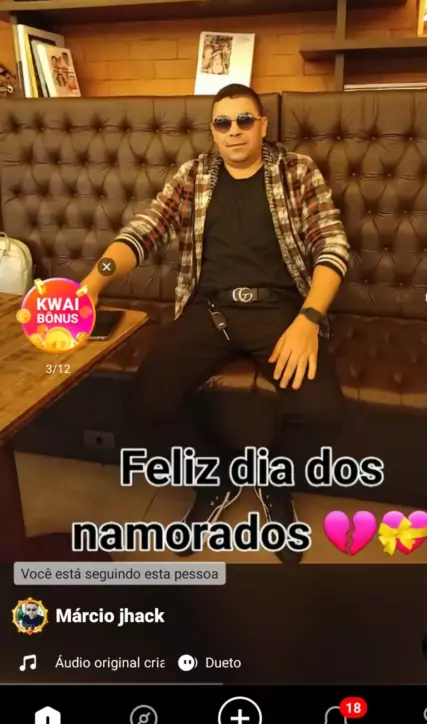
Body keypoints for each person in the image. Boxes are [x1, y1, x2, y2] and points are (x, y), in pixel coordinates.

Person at [82, 83, 350, 564]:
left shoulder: (296, 171)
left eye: (245, 120)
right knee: (144, 404)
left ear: (262, 125)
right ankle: (216, 476)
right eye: (223, 122)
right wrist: (93, 282)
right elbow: (146, 229)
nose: (234, 131)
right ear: (213, 130)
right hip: (211, 312)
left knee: (322, 412)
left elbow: (331, 242)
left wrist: (309, 317)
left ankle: (272, 480)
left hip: (280, 311)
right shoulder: (193, 176)